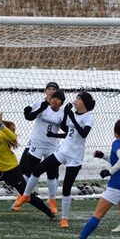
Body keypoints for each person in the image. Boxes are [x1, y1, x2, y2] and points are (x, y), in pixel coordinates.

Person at [14, 91, 95, 229]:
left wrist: (71, 118)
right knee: (37, 170)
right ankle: (26, 195)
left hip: (75, 157)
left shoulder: (89, 117)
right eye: (76, 99)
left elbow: (83, 134)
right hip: (62, 152)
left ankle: (64, 219)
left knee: (66, 188)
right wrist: (56, 132)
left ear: (84, 103)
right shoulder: (72, 114)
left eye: (78, 99)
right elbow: (69, 133)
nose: (75, 101)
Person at [78, 118, 120, 239]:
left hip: (117, 186)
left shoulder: (117, 143)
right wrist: (103, 156)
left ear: (115, 132)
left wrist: (109, 171)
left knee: (98, 214)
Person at [12, 90, 66, 214]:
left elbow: (66, 130)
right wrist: (39, 110)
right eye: (53, 98)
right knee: (29, 171)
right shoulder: (42, 105)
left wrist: (68, 116)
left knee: (52, 174)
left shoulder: (63, 113)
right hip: (37, 145)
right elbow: (29, 117)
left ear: (61, 102)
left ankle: (52, 200)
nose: (55, 100)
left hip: (52, 147)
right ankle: (21, 196)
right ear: (49, 97)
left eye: (58, 99)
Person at [19, 81, 60, 180]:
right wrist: (28, 112)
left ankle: (53, 191)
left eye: (53, 89)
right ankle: (18, 187)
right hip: (36, 141)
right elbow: (29, 117)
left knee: (52, 170)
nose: (51, 91)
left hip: (51, 144)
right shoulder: (39, 104)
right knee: (24, 166)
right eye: (49, 89)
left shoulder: (60, 107)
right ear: (45, 91)